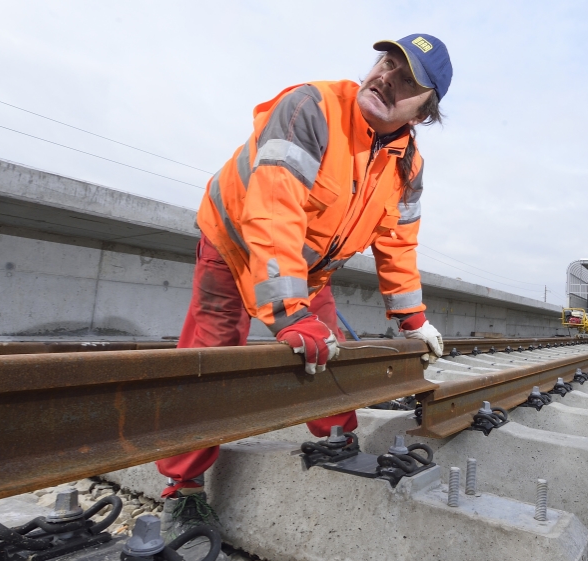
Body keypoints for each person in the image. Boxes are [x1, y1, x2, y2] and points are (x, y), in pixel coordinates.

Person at [157, 34, 453, 537]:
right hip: (233, 241)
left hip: (308, 265)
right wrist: (290, 313)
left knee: (326, 347)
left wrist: (413, 320)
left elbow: (398, 243)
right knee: (209, 354)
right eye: (386, 62)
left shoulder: (408, 165)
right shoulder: (311, 108)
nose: (385, 78)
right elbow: (273, 210)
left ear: (424, 113)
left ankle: (336, 439)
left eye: (407, 81)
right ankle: (182, 489)